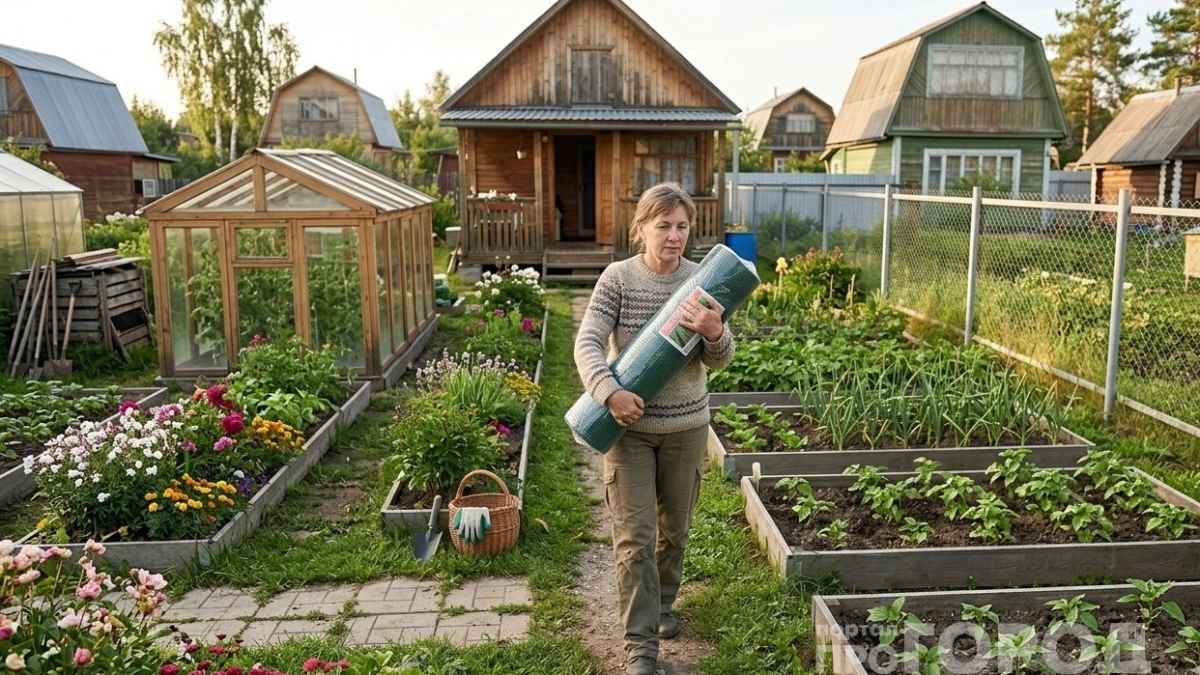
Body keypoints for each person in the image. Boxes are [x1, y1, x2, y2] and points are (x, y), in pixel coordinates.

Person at [574, 182, 735, 675]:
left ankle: (663, 605)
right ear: (641, 227)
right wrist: (608, 393)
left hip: (688, 428)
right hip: (630, 430)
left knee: (676, 531)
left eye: (682, 226)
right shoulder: (618, 279)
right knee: (634, 538)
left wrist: (716, 331)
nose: (673, 236)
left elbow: (721, 359)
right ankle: (639, 648)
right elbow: (587, 342)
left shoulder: (704, 280)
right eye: (663, 226)